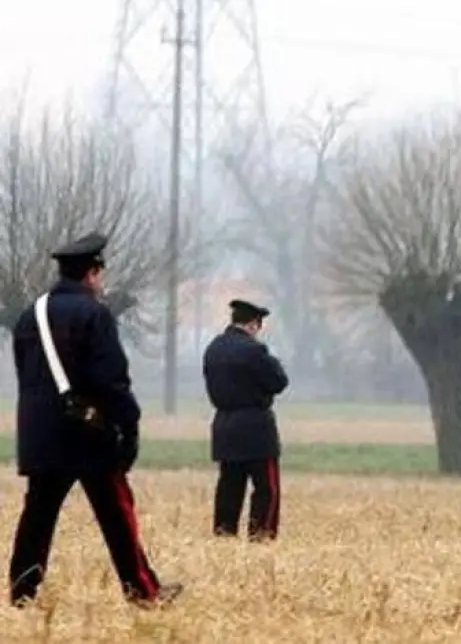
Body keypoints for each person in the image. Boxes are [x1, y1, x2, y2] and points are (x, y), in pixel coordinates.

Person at [8, 232, 183, 609]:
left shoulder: (29, 315)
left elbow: (25, 372)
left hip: (41, 433)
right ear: (92, 272)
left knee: (37, 517)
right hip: (89, 432)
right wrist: (129, 423)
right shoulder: (95, 314)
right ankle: (142, 590)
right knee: (116, 514)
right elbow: (111, 380)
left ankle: (22, 592)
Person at [203, 299, 289, 541]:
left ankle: (224, 534)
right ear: (253, 324)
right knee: (266, 488)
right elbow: (279, 381)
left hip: (223, 425)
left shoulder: (213, 348)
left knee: (229, 486)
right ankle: (260, 536)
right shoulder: (254, 350)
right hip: (256, 427)